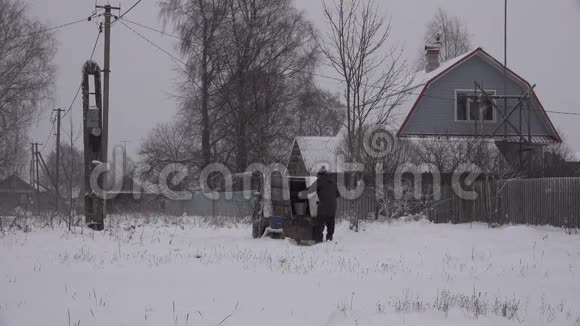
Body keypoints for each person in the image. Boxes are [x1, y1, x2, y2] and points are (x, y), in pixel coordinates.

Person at [316, 166, 339, 242]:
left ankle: (319, 239)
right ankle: (329, 238)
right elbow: (338, 194)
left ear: (320, 174)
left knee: (320, 223)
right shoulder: (333, 181)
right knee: (330, 222)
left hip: (323, 207)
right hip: (332, 207)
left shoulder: (319, 181)